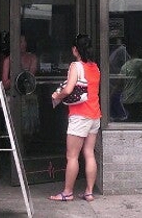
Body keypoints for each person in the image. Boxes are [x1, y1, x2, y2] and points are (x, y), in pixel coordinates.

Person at [49, 34, 101, 202]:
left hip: (80, 116)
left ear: (75, 49)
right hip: (95, 115)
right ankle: (89, 192)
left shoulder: (75, 66)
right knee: (89, 153)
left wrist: (58, 94)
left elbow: (69, 89)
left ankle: (67, 192)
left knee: (72, 156)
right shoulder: (95, 67)